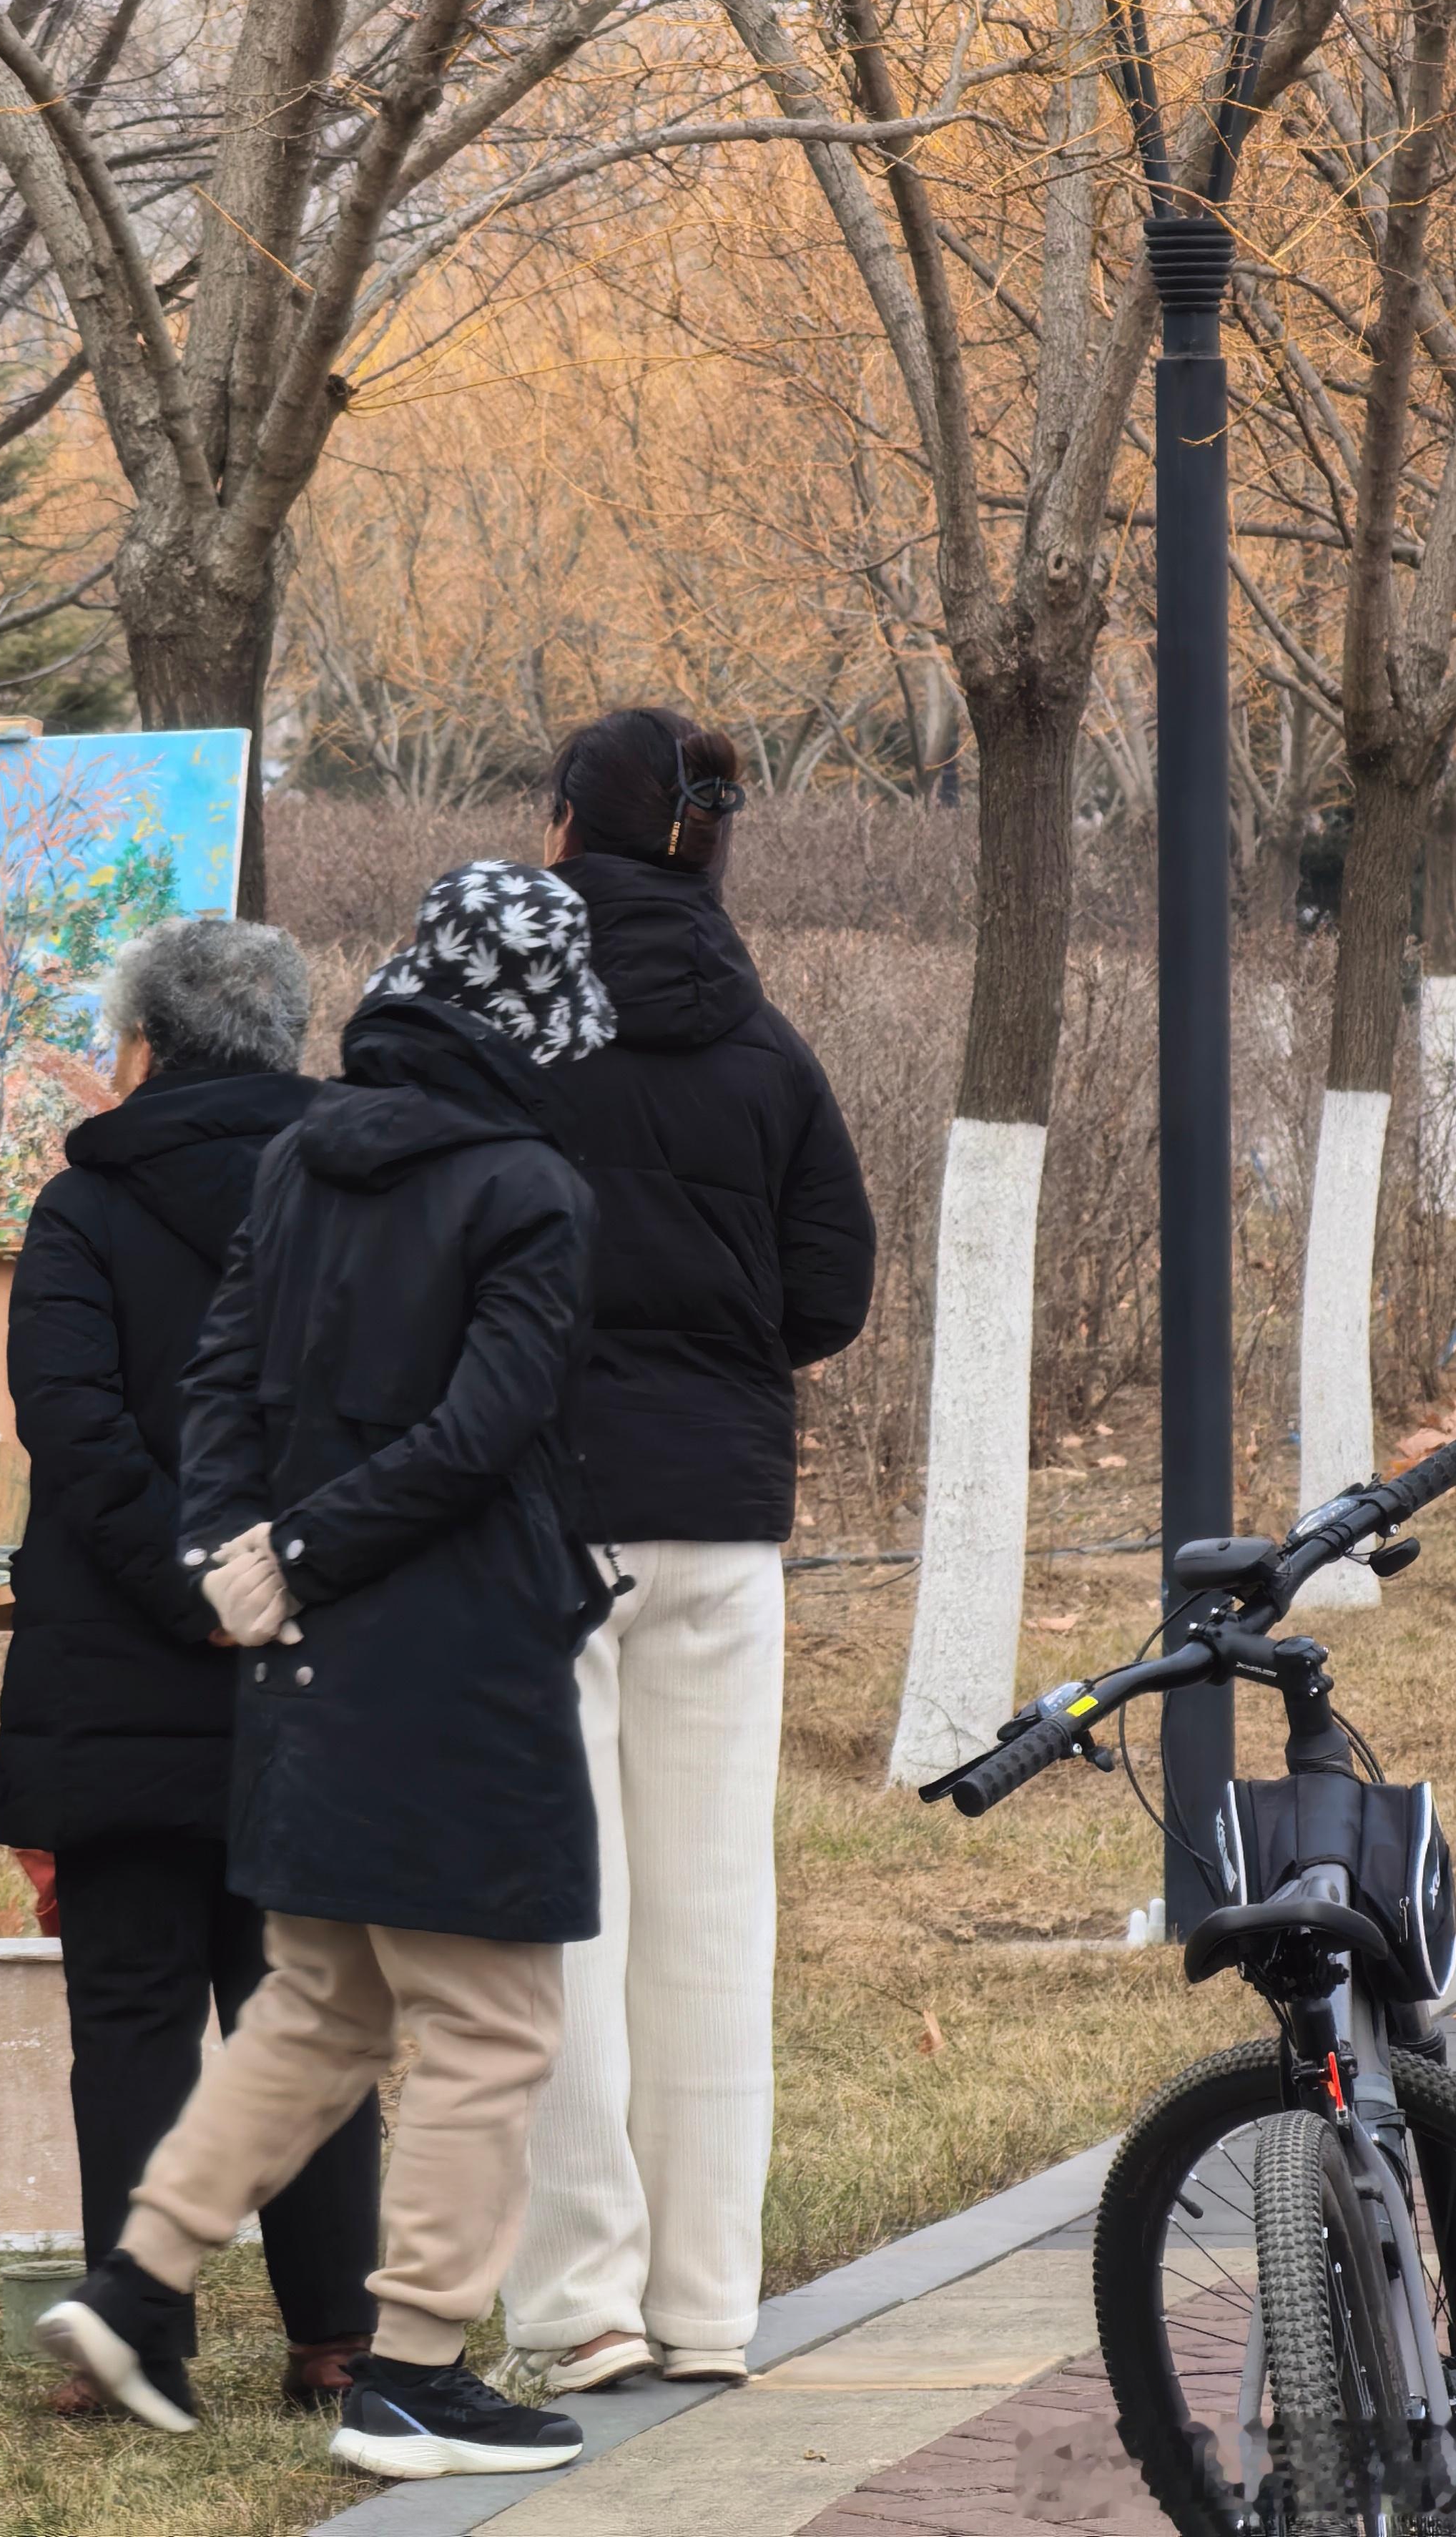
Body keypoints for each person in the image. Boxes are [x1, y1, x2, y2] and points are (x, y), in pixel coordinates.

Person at [39, 862, 614, 2487]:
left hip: (298, 1661)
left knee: (316, 2006)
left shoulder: (304, 1159)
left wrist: (237, 1549)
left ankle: (139, 2282)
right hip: (459, 1660)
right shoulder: (532, 1189)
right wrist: (310, 1547)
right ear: (544, 1020)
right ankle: (416, 2368)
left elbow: (222, 1371)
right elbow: (486, 1429)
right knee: (491, 2023)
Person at [501, 709, 877, 2395]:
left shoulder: (500, 1033)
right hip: (722, 1513)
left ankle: (581, 2300)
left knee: (559, 1906)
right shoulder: (768, 1049)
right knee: (716, 1907)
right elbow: (831, 1296)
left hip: (532, 1509)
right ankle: (712, 2309)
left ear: (565, 828)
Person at [0, 916, 379, 2422]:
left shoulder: (83, 1210)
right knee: (315, 2006)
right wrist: (279, 1577)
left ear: (139, 1051)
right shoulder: (367, 1195)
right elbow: (387, 1409)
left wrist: (186, 1579)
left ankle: (140, 2340)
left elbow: (70, 1421)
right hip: (321, 1655)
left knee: (133, 2011)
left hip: (118, 1664)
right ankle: (339, 2339)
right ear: (287, 1046)